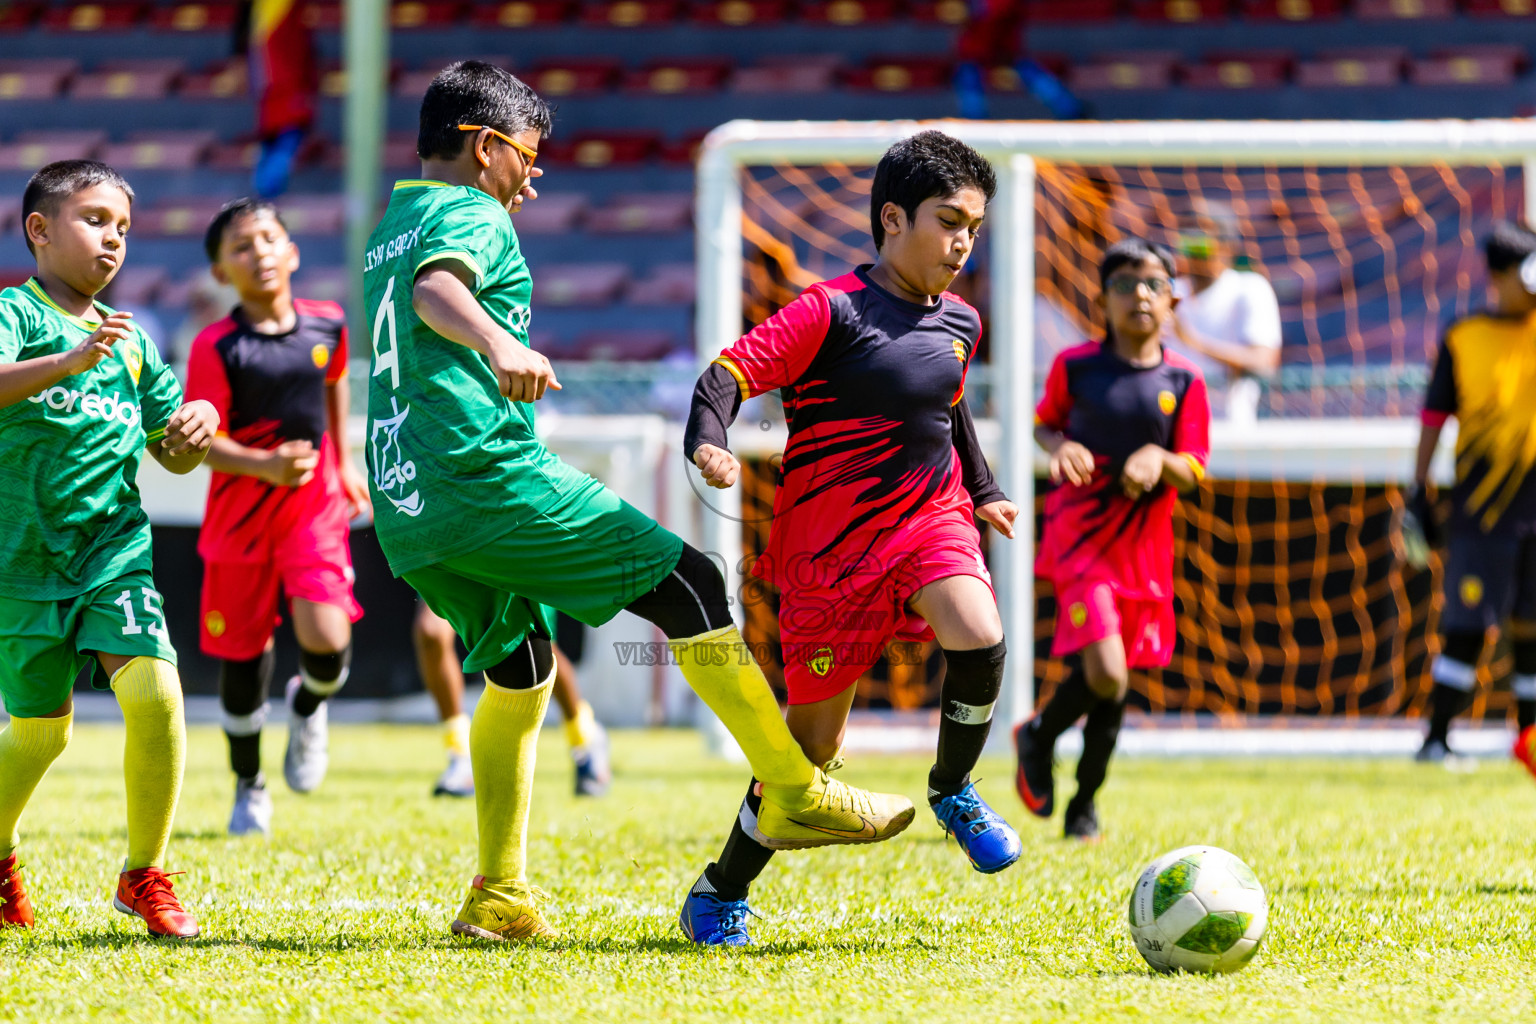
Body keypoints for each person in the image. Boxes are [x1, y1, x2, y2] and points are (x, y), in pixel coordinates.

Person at [364, 61, 913, 942]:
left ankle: (498, 895)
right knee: (692, 582)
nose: (533, 177)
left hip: (407, 507)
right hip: (483, 480)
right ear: (482, 146)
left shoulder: (390, 224)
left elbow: (415, 291)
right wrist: (498, 340)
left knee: (522, 669)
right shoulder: (469, 211)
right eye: (527, 157)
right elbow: (438, 292)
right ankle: (796, 788)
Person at [678, 130, 1023, 947]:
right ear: (892, 219)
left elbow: (949, 405)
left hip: (928, 520)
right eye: (950, 220)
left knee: (980, 633)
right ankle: (723, 886)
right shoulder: (828, 312)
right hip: (828, 556)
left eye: (975, 224)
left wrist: (983, 491)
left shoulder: (963, 320)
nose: (965, 240)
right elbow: (724, 376)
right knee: (808, 758)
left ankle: (954, 789)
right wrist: (710, 440)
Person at [0, 160, 219, 937]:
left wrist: (196, 425)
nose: (113, 240)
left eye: (123, 227)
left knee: (156, 692)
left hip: (112, 554)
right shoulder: (16, 315)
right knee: (40, 731)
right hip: (22, 565)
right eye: (96, 220)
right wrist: (66, 361)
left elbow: (173, 448)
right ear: (40, 230)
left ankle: (143, 873)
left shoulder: (129, 343)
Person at [185, 199, 370, 836]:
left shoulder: (329, 325)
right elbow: (201, 437)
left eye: (269, 239)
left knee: (329, 640)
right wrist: (262, 466)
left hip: (313, 513)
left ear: (291, 252)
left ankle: (307, 704)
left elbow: (335, 383)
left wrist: (342, 462)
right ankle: (249, 785)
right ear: (220, 273)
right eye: (241, 246)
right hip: (238, 522)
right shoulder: (216, 345)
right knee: (242, 662)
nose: (259, 252)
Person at [1015, 237, 1210, 842]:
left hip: (1142, 550)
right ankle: (1041, 736)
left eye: (1153, 284)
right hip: (1081, 542)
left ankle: (1083, 803)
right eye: (1125, 284)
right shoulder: (1075, 366)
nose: (1140, 296)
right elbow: (1046, 425)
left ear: (1173, 298)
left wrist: (1159, 458)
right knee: (1108, 673)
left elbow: (1196, 465)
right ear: (1103, 298)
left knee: (1112, 679)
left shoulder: (1185, 378)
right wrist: (1062, 446)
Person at [1407, 222, 1536, 767]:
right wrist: (1419, 489)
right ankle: (1436, 741)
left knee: (1532, 627)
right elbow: (1435, 418)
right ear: (1499, 277)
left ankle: (1528, 744)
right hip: (1482, 511)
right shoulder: (1463, 336)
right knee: (1467, 624)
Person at [412, 602, 610, 798]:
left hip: (517, 569)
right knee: (430, 631)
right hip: (454, 568)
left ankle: (585, 736)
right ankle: (461, 757)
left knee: (538, 645)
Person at [1169, 225, 1281, 425]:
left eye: (1201, 248)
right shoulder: (1169, 292)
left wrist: (1193, 341)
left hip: (1227, 426)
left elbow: (1262, 361)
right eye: (1187, 246)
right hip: (1171, 422)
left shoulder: (1248, 287)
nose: (1193, 256)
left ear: (1227, 248)